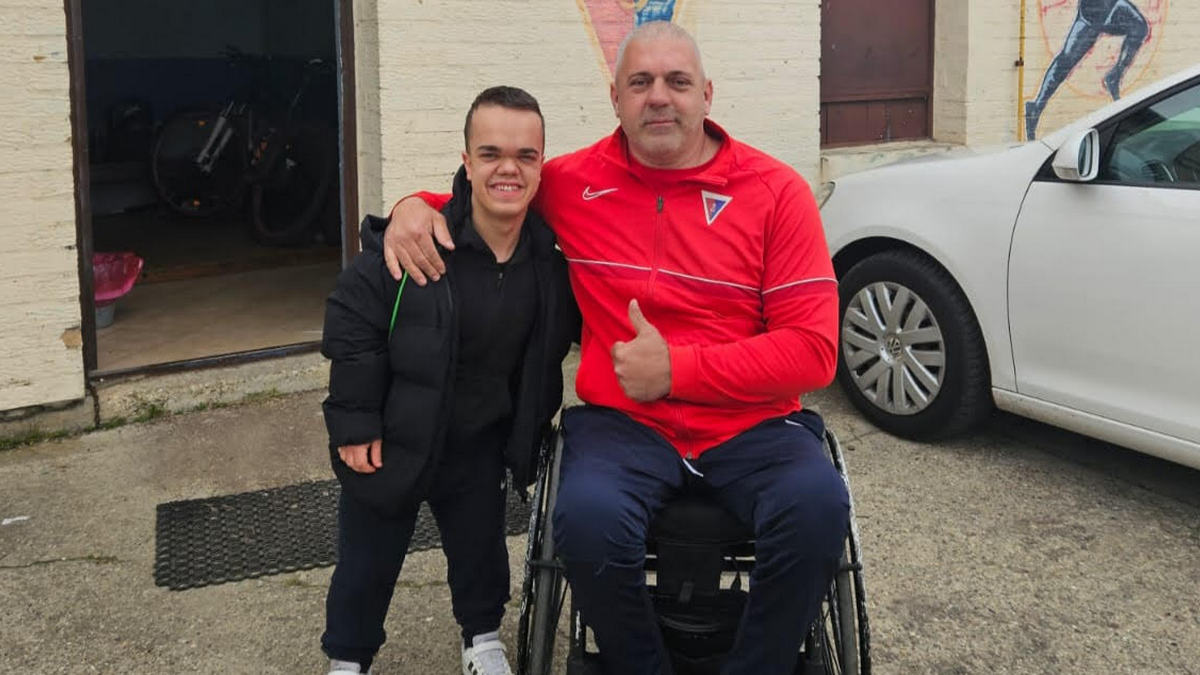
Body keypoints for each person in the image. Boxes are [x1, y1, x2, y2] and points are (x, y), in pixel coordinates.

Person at [382, 22, 849, 675]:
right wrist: (413, 205)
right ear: (615, 98)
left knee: (818, 509)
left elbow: (814, 351)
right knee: (585, 521)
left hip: (753, 425)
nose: (659, 97)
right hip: (625, 426)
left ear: (706, 94)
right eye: (640, 82)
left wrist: (678, 369)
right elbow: (490, 199)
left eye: (677, 81)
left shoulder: (777, 193)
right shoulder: (575, 182)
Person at [319, 86, 578, 675]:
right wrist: (353, 421)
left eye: (525, 155)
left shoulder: (549, 265)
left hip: (478, 444)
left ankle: (482, 641)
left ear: (541, 164)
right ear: (466, 161)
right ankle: (348, 659)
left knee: (481, 554)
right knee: (366, 561)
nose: (508, 168)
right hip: (394, 438)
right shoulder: (420, 241)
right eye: (490, 154)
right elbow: (351, 316)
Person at [1025, 0, 1149, 140]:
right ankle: (1036, 106)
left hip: (1112, 7)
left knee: (1140, 27)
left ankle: (1114, 77)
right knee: (1066, 60)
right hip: (1093, 13)